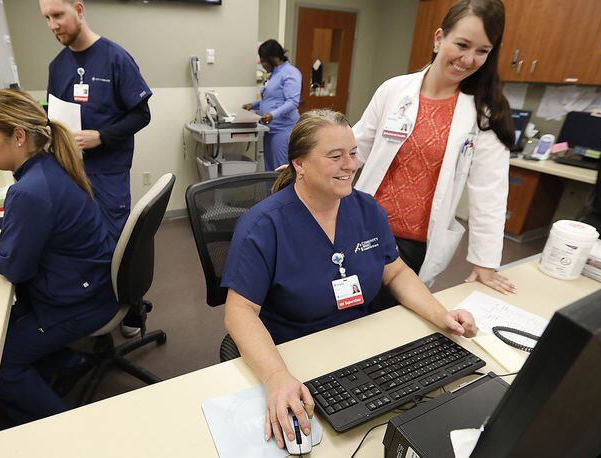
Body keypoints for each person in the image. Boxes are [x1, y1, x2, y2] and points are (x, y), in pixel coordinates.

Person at [221, 109, 478, 449]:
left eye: (353, 153)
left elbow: (396, 270)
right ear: (300, 164)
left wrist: (440, 314)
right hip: (292, 352)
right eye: (335, 156)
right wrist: (276, 377)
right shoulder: (263, 226)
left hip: (358, 348)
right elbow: (239, 312)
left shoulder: (367, 209)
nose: (351, 165)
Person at [0, 89, 119, 426]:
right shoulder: (49, 168)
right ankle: (65, 364)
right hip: (90, 287)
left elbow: (14, 268)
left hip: (78, 304)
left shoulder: (28, 191)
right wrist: (4, 222)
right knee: (4, 331)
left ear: (18, 137)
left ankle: (66, 429)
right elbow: (48, 220)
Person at [353, 0, 516, 295]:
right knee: (338, 309)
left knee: (389, 324)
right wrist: (312, 164)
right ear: (439, 38)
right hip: (362, 229)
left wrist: (485, 261)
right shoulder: (394, 90)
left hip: (414, 246)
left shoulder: (484, 114)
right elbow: (357, 144)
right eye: (462, 45)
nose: (468, 59)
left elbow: (490, 192)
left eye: (482, 51)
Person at [40, 0, 152, 240]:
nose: (52, 25)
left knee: (113, 242)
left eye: (58, 15)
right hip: (70, 171)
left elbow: (142, 115)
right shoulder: (57, 67)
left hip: (108, 174)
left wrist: (101, 137)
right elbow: (53, 118)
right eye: (47, 18)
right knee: (79, 238)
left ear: (79, 10)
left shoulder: (116, 58)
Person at [243, 39, 302, 172]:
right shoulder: (273, 75)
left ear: (274, 58)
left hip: (283, 130)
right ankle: (273, 193)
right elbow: (271, 98)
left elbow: (292, 102)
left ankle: (282, 193)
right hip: (270, 129)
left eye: (264, 61)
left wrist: (272, 114)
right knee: (270, 170)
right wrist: (252, 105)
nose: (262, 65)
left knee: (280, 170)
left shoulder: (290, 73)